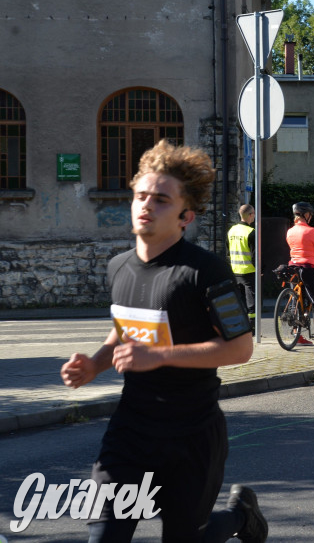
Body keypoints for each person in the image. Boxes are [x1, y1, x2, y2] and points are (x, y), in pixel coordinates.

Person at [60, 139, 267, 542]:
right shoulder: (119, 267)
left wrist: (159, 356)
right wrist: (95, 364)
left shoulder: (205, 271)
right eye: (141, 196)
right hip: (129, 432)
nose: (146, 206)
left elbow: (241, 348)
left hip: (191, 434)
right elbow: (125, 329)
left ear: (185, 215)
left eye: (160, 200)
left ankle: (240, 516)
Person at [286, 201, 314, 345]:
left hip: (293, 268)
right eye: (310, 215)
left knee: (297, 301)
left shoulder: (290, 231)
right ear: (306, 215)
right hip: (308, 269)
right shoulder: (311, 231)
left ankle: (296, 335)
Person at [227, 204, 257, 333]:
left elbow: (228, 252)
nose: (254, 216)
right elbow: (255, 255)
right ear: (250, 215)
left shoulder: (231, 230)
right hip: (248, 271)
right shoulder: (251, 232)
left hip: (235, 271)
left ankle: (240, 326)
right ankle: (251, 328)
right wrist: (260, 270)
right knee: (252, 303)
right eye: (254, 213)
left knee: (239, 301)